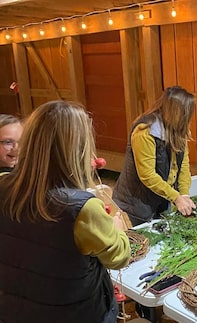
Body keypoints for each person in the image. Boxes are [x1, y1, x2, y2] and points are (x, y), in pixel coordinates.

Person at [0, 101, 131, 323]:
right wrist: (118, 229)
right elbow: (118, 257)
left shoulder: (3, 184)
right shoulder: (83, 208)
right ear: (77, 148)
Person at [113, 86, 196, 226]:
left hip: (161, 195)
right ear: (175, 111)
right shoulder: (144, 131)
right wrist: (176, 197)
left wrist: (184, 194)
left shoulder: (178, 129)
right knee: (147, 240)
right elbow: (147, 175)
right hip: (137, 201)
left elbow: (183, 166)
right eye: (185, 113)